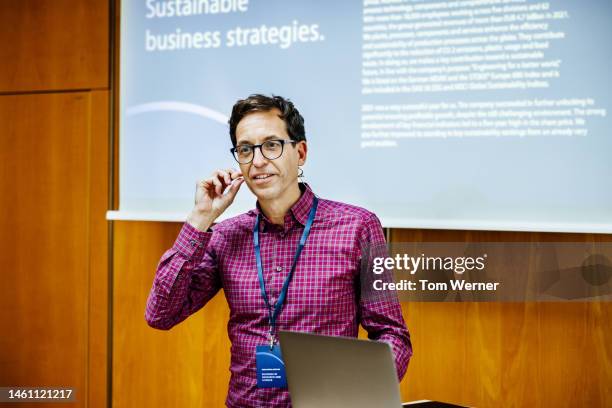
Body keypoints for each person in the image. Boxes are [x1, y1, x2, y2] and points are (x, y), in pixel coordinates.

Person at [145, 94, 412, 407]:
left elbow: (393, 336)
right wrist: (200, 218)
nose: (258, 161)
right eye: (246, 149)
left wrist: (354, 393)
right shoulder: (226, 236)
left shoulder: (357, 228)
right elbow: (161, 315)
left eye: (271, 145)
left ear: (300, 152)